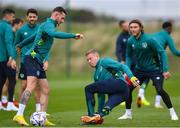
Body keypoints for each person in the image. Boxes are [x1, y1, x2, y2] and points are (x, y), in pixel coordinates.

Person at [13, 6, 83, 126]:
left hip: (38, 61)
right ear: (56, 14)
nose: (62, 21)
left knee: (45, 89)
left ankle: (43, 117)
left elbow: (34, 37)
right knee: (30, 86)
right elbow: (53, 34)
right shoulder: (49, 25)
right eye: (62, 18)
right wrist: (72, 35)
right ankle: (19, 115)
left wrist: (20, 44)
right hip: (32, 58)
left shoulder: (46, 25)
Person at [118, 19, 179, 121]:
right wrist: (127, 71)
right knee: (127, 90)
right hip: (139, 71)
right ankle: (128, 114)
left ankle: (172, 113)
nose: (133, 29)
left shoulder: (149, 40)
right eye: (131, 27)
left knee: (159, 90)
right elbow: (128, 56)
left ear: (141, 28)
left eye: (135, 27)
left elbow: (162, 52)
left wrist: (165, 70)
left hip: (154, 69)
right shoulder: (130, 41)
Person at [81, 49, 140, 124]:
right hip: (124, 93)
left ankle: (90, 115)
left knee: (88, 89)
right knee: (105, 109)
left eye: (90, 58)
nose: (89, 61)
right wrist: (99, 111)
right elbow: (101, 95)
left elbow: (122, 66)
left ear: (97, 56)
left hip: (120, 83)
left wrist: (131, 77)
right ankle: (95, 118)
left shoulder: (104, 61)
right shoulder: (96, 75)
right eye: (87, 60)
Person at [137, 21, 180, 109]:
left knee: (146, 75)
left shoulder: (155, 34)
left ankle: (141, 93)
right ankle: (157, 102)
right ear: (169, 28)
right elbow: (174, 51)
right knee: (159, 77)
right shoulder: (167, 36)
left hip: (146, 56)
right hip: (158, 56)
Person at [15, 8, 42, 112]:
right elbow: (17, 44)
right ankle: (20, 108)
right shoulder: (21, 30)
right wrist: (18, 55)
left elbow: (42, 43)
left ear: (37, 17)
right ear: (27, 17)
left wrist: (37, 54)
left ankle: (38, 110)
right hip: (24, 61)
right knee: (24, 85)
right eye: (30, 16)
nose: (32, 18)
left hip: (37, 60)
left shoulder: (40, 29)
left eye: (34, 17)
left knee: (37, 86)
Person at [1, 18, 24, 107]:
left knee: (9, 80)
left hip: (9, 58)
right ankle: (8, 102)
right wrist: (11, 57)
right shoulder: (10, 32)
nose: (21, 27)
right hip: (9, 59)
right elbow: (9, 45)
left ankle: (6, 100)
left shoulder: (15, 34)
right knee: (10, 80)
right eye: (21, 25)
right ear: (16, 24)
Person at [0, 8, 17, 111]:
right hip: (7, 59)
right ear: (8, 16)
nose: (13, 19)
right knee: (12, 80)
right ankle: (10, 104)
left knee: (1, 81)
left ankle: (0, 104)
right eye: (13, 16)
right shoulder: (7, 27)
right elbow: (8, 43)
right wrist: (12, 57)